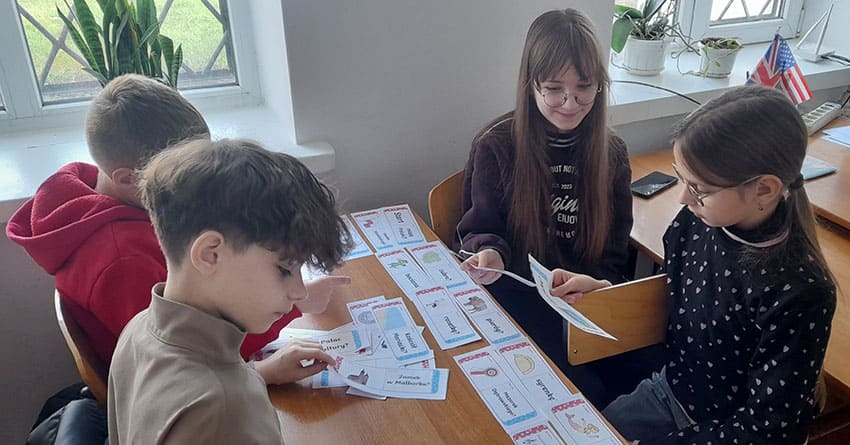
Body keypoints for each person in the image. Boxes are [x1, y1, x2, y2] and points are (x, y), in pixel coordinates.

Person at [5, 74, 348, 375]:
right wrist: (265, 366)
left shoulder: (103, 192)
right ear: (128, 178)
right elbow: (183, 352)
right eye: (183, 174)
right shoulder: (122, 260)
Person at [602, 86, 837, 444]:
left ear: (764, 190)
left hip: (734, 432)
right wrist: (607, 295)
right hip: (674, 391)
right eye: (681, 177)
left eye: (699, 188)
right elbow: (676, 298)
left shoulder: (800, 291)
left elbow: (769, 430)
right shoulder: (698, 219)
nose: (683, 198)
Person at [108, 138, 351, 443]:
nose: (299, 292)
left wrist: (256, 374)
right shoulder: (226, 410)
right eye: (284, 269)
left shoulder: (138, 329)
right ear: (210, 254)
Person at [455, 8, 635, 404]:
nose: (570, 103)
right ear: (530, 85)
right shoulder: (496, 145)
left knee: (640, 375)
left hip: (585, 306)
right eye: (554, 88)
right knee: (586, 393)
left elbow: (615, 253)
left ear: (600, 86)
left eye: (584, 87)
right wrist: (490, 253)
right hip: (517, 304)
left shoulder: (612, 153)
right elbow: (480, 229)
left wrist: (598, 285)